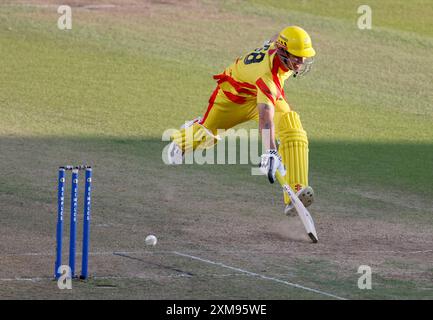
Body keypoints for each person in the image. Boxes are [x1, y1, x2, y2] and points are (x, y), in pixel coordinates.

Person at [167, 26, 316, 216]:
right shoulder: (268, 76)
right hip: (232, 98)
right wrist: (271, 152)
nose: (301, 62)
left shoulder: (280, 51)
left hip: (262, 96)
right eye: (297, 57)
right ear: (282, 52)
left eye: (304, 57)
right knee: (204, 137)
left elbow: (276, 35)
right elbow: (265, 118)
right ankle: (186, 136)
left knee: (292, 127)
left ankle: (296, 191)